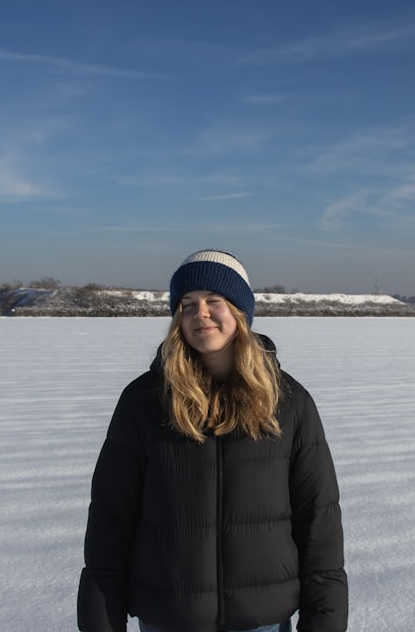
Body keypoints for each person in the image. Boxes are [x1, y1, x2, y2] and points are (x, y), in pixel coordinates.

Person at [77, 250, 348, 632]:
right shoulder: (144, 401)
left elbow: (318, 520)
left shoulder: (288, 402)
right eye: (187, 304)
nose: (199, 313)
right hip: (168, 618)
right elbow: (110, 519)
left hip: (263, 622)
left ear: (240, 312)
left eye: (213, 301)